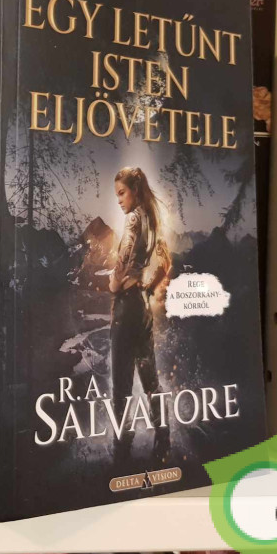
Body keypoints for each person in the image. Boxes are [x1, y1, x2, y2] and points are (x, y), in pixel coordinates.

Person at [108, 166, 172, 465]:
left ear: (134, 190)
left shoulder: (133, 218)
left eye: (122, 193)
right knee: (150, 380)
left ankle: (123, 448)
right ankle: (163, 439)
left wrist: (114, 282)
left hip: (126, 308)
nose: (119, 199)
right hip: (142, 307)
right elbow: (161, 262)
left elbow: (123, 261)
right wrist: (144, 283)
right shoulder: (152, 218)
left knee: (121, 385)